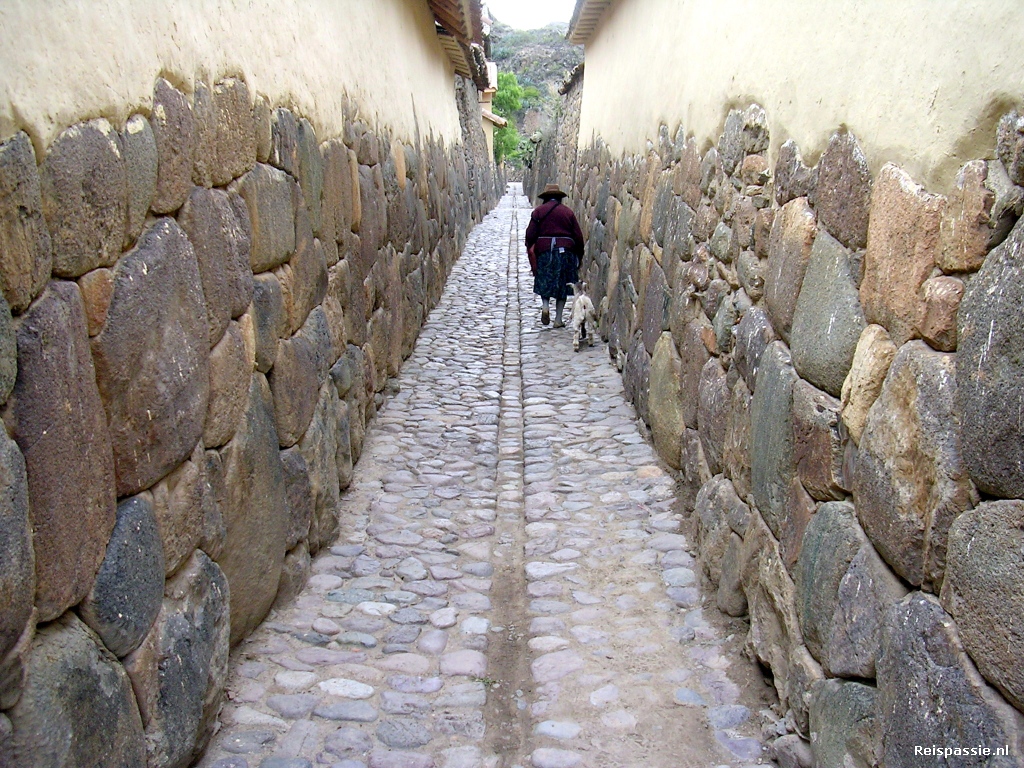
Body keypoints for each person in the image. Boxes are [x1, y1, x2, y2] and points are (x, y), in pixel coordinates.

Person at [525, 183, 585, 327]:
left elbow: (530, 234)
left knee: (544, 279)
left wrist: (531, 247)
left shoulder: (538, 212)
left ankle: (545, 306)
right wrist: (579, 255)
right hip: (566, 252)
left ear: (545, 198)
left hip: (545, 252)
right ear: (559, 198)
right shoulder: (568, 212)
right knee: (563, 284)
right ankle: (558, 319)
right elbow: (578, 236)